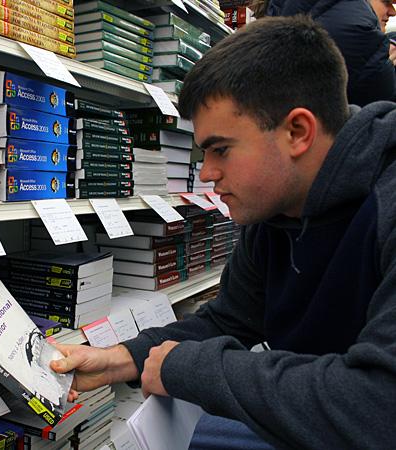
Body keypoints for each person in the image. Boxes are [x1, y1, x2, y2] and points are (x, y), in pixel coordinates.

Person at [51, 16, 396, 449]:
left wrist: (188, 368)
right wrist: (123, 358)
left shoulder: (386, 202)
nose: (207, 173)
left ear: (297, 131)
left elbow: (380, 405)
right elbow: (230, 319)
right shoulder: (274, 211)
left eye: (221, 150)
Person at [258, 0, 396, 105]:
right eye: (386, 1)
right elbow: (386, 100)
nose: (392, 11)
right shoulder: (358, 31)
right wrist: (387, 62)